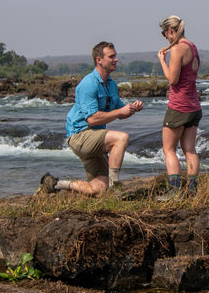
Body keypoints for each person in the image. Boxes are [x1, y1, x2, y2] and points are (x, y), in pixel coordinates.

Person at [39, 41, 144, 197]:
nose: (116, 59)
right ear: (99, 60)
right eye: (111, 56)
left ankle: (55, 184)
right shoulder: (88, 84)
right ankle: (115, 187)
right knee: (121, 138)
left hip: (95, 138)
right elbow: (92, 120)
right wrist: (119, 112)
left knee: (99, 189)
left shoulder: (112, 85)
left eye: (115, 56)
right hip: (80, 136)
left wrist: (132, 109)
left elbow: (120, 113)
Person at [157, 15, 201, 195]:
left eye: (165, 33)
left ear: (171, 31)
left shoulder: (177, 50)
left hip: (179, 105)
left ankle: (174, 191)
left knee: (168, 149)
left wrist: (162, 60)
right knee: (190, 149)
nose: (166, 37)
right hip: (194, 106)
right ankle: (192, 190)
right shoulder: (193, 47)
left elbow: (172, 80)